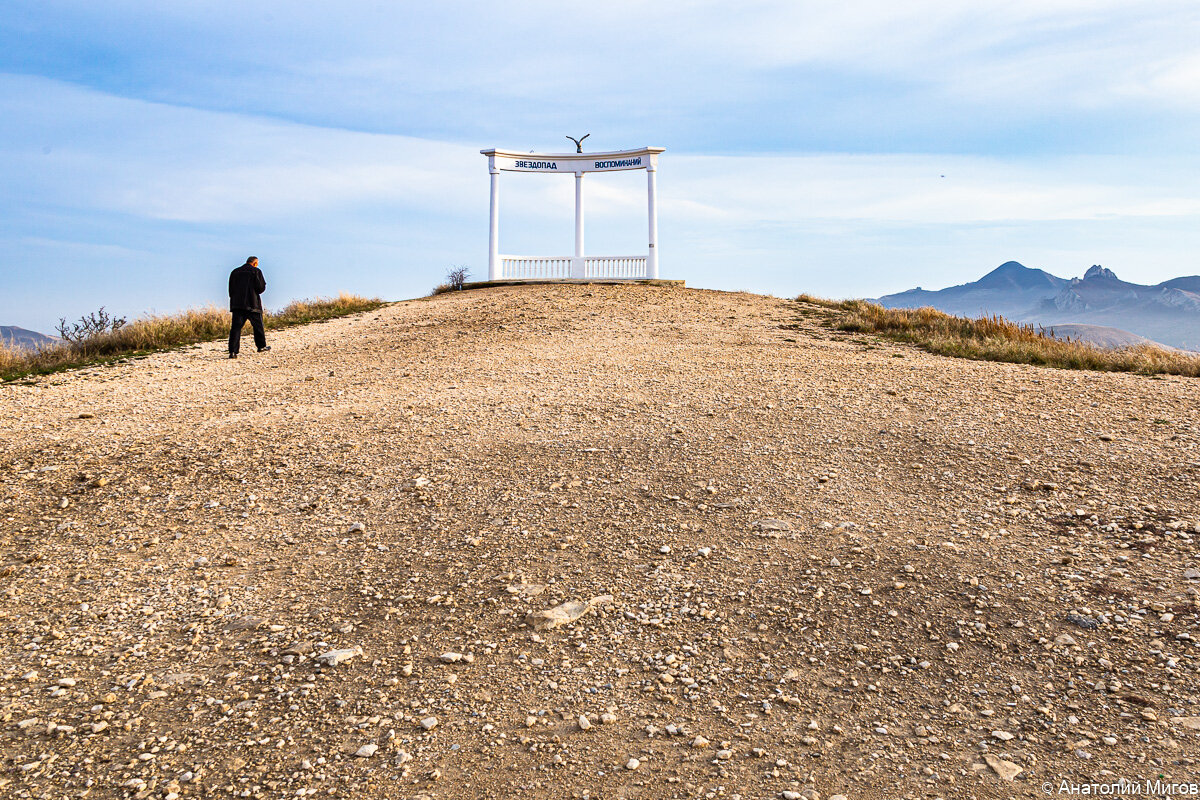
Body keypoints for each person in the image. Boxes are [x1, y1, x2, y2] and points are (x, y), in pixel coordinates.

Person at [228, 256, 270, 358]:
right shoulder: (256, 271)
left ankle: (233, 352)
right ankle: (261, 346)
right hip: (253, 304)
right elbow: (260, 288)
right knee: (258, 326)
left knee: (236, 328)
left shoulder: (235, 272)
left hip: (237, 305)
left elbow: (231, 289)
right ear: (255, 263)